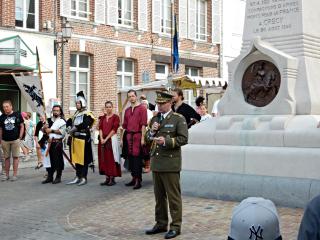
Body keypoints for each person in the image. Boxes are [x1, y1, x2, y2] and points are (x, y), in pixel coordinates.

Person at [145, 91, 188, 239]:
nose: (160, 105)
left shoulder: (178, 119)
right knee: (159, 197)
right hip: (157, 163)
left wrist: (167, 141)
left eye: (162, 103)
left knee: (173, 197)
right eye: (158, 103)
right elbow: (147, 139)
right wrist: (152, 131)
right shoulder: (155, 119)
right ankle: (161, 223)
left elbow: (183, 139)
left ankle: (176, 226)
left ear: (170, 103)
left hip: (170, 164)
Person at [66, 91, 95, 186]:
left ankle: (83, 177)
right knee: (77, 159)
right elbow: (69, 121)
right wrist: (69, 127)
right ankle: (77, 176)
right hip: (75, 140)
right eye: (76, 103)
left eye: (78, 103)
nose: (77, 104)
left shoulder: (88, 114)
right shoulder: (75, 114)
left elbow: (86, 123)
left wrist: (75, 128)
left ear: (83, 103)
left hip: (83, 140)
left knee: (84, 160)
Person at [121, 89, 147, 190]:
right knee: (130, 158)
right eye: (129, 96)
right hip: (128, 136)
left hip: (137, 136)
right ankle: (133, 178)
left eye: (132, 96)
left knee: (137, 159)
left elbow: (143, 124)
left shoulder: (142, 108)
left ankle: (138, 180)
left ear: (136, 96)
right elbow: (124, 126)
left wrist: (143, 138)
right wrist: (122, 140)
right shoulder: (127, 110)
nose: (131, 98)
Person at [98, 101, 121, 186]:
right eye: (107, 107)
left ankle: (112, 178)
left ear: (112, 107)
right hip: (103, 141)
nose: (108, 108)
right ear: (105, 108)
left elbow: (114, 129)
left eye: (110, 107)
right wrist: (101, 138)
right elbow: (100, 128)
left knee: (111, 159)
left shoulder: (116, 117)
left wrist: (106, 139)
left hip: (111, 140)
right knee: (104, 159)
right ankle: (107, 178)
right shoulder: (103, 117)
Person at [0, 100, 24, 181]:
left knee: (15, 157)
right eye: (4, 107)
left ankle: (14, 175)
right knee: (6, 158)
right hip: (5, 140)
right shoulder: (2, 117)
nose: (5, 108)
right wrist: (0, 139)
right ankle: (6, 175)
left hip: (15, 139)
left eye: (7, 106)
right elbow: (0, 129)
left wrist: (20, 136)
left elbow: (22, 126)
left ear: (11, 106)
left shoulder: (17, 114)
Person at [42, 105, 66, 184]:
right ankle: (50, 177)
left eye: (57, 110)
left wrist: (51, 130)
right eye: (54, 110)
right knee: (48, 160)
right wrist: (44, 128)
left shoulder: (62, 121)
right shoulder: (49, 120)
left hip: (57, 142)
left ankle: (58, 177)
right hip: (49, 143)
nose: (55, 112)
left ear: (60, 112)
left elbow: (62, 132)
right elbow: (44, 131)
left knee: (57, 160)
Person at [140, 99, 153, 173]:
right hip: (140, 131)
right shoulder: (139, 111)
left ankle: (148, 166)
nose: (143, 105)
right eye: (142, 104)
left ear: (147, 105)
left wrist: (144, 124)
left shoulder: (149, 112)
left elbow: (149, 121)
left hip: (147, 132)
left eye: (145, 104)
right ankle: (143, 164)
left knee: (146, 149)